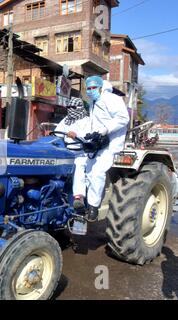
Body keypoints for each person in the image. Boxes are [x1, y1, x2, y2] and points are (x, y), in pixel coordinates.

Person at [78, 76, 130, 222]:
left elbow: (123, 118)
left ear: (101, 87)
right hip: (97, 144)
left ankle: (94, 207)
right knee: (84, 170)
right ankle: (83, 201)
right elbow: (94, 122)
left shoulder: (112, 99)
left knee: (97, 173)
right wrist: (88, 133)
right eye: (88, 88)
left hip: (111, 144)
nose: (90, 90)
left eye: (93, 88)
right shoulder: (94, 102)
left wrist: (105, 130)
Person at [55, 97, 90, 214]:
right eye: (69, 107)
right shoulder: (66, 120)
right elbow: (57, 131)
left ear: (79, 108)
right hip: (67, 152)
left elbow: (88, 137)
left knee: (78, 166)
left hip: (82, 153)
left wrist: (76, 135)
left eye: (73, 107)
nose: (70, 110)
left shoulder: (87, 121)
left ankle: (78, 198)